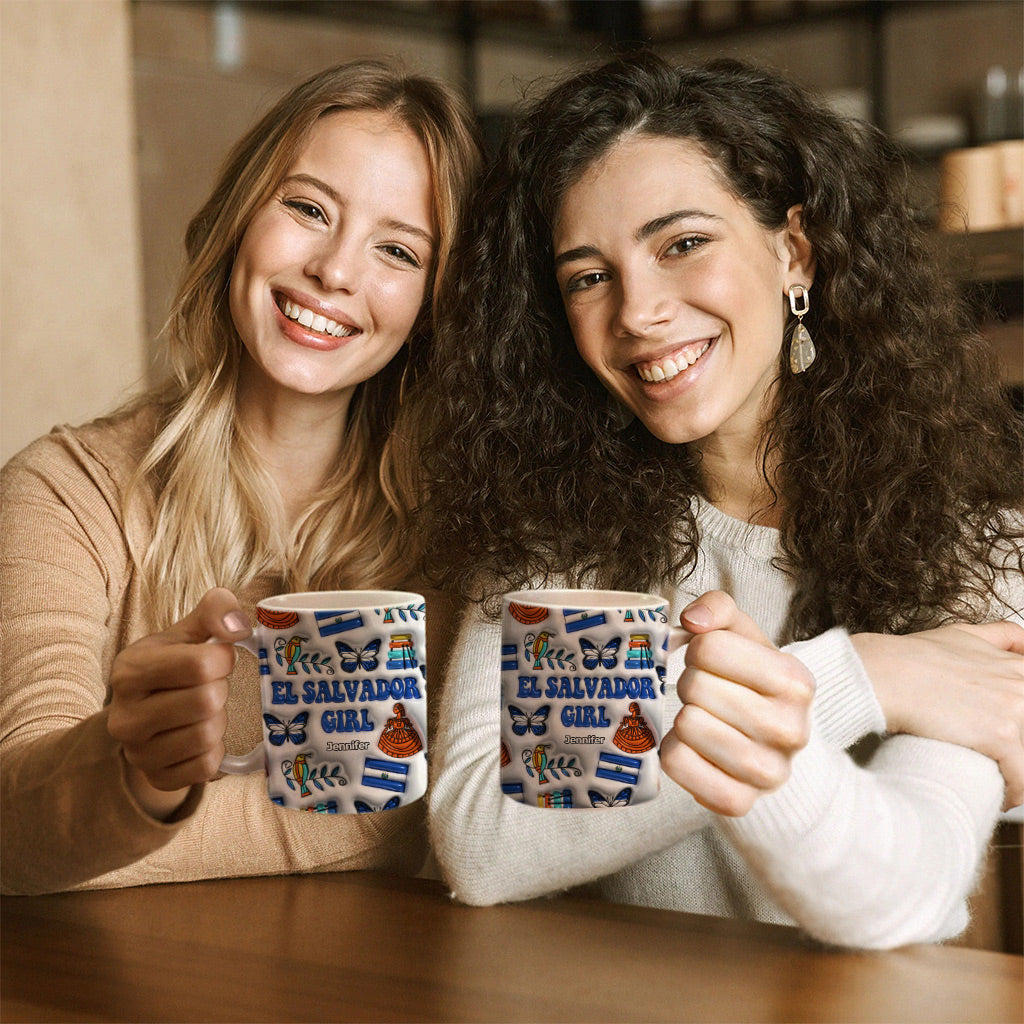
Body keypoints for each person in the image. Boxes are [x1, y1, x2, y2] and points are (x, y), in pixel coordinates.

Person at [414, 53, 1024, 949]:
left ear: (794, 252)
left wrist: (772, 694)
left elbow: (900, 892)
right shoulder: (551, 540)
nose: (637, 311)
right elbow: (482, 844)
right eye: (588, 276)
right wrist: (858, 676)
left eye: (682, 244)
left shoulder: (978, 544)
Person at [0, 60, 482, 895]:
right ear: (238, 220)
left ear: (434, 304)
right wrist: (138, 776)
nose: (335, 270)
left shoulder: (458, 533)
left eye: (397, 250)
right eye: (307, 209)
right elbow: (16, 825)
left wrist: (126, 830)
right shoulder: (65, 492)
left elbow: (421, 807)